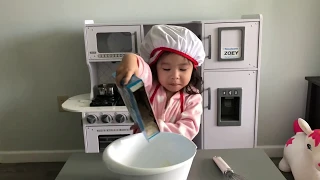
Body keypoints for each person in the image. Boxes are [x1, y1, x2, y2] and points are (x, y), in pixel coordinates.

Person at [115, 24, 205, 140]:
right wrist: (131, 59)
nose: (175, 76)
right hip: (144, 150)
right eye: (166, 69)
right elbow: (141, 70)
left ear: (192, 70)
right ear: (155, 68)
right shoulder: (149, 86)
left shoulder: (192, 98)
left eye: (183, 69)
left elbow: (187, 130)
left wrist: (152, 127)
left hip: (175, 152)